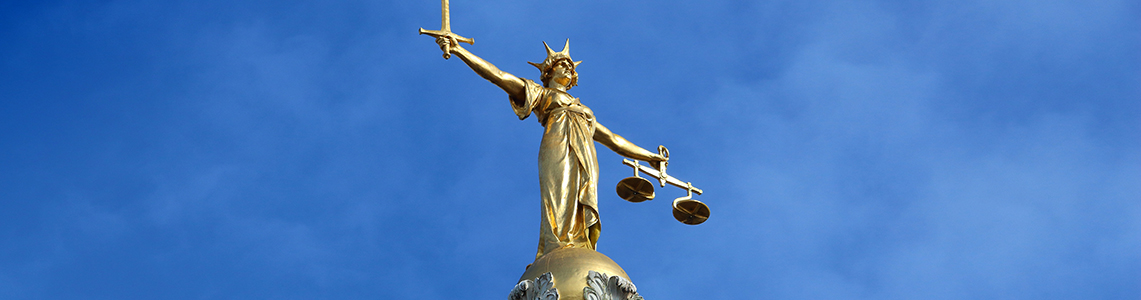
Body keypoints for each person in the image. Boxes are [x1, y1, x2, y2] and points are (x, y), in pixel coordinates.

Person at [434, 37, 668, 259]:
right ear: (549, 72)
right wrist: (458, 50)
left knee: (580, 195)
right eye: (561, 65)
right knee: (559, 194)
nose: (568, 68)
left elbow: (613, 139)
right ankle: (557, 244)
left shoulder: (583, 110)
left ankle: (579, 243)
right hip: (557, 146)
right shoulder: (542, 94)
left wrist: (649, 157)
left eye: (570, 66)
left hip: (585, 155)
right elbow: (498, 76)